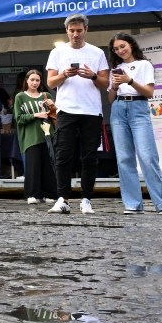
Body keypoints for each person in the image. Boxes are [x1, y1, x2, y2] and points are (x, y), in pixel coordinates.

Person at [108, 33, 162, 215]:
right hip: (118, 109)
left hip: (138, 107)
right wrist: (116, 86)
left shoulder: (144, 64)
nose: (120, 50)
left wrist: (129, 80)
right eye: (116, 49)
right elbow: (110, 98)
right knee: (124, 158)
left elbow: (149, 92)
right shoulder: (116, 68)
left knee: (148, 157)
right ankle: (132, 203)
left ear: (131, 45)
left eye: (122, 46)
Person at [46, 14, 109, 215]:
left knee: (89, 157)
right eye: (72, 31)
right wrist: (64, 74)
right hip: (66, 110)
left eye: (79, 30)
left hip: (91, 110)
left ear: (86, 30)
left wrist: (92, 75)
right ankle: (62, 198)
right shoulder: (57, 52)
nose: (75, 34)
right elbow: (50, 83)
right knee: (63, 155)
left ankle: (86, 199)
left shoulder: (97, 52)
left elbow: (105, 83)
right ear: (66, 31)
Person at [14, 69, 58, 205]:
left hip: (47, 135)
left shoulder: (46, 95)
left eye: (37, 80)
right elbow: (18, 118)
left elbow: (55, 115)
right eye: (32, 80)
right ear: (26, 81)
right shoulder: (20, 97)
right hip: (30, 137)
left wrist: (52, 110)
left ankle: (50, 193)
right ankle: (32, 194)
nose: (34, 82)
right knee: (33, 167)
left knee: (48, 166)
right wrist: (35, 115)